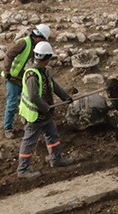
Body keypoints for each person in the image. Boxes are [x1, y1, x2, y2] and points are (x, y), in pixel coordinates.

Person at [15, 41, 75, 178]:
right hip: (35, 115)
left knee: (52, 135)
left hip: (45, 114)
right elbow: (33, 96)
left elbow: (54, 86)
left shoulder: (44, 72)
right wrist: (45, 107)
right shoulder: (32, 75)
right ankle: (23, 170)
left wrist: (66, 97)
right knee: (29, 141)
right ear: (47, 58)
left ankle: (56, 159)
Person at [0, 23, 52, 139]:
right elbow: (9, 54)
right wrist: (7, 71)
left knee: (25, 102)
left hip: (24, 79)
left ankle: (27, 123)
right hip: (13, 78)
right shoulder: (23, 43)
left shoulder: (36, 47)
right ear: (39, 36)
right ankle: (7, 128)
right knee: (12, 103)